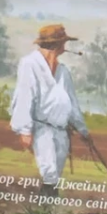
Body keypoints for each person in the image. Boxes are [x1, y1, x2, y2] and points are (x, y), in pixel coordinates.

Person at [10, 23, 89, 194]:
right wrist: (25, 130)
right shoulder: (30, 64)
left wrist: (82, 129)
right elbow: (24, 96)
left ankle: (48, 206)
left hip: (61, 130)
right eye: (63, 42)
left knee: (55, 174)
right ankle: (46, 205)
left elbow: (72, 102)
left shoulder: (63, 71)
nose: (65, 46)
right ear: (57, 44)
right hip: (42, 127)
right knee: (49, 172)